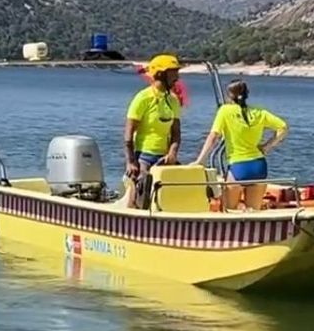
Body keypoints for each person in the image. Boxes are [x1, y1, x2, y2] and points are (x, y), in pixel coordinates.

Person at [191, 78, 289, 212]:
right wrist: (266, 146)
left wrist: (200, 160)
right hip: (258, 166)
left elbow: (213, 137)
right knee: (254, 211)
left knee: (229, 210)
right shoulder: (259, 112)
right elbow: (283, 127)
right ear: (247, 93)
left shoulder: (225, 111)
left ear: (229, 95)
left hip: (238, 167)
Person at [123, 54, 183, 208]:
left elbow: (176, 133)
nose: (177, 76)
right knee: (140, 200)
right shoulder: (143, 98)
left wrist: (172, 153)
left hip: (164, 158)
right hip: (143, 157)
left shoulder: (173, 100)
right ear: (160, 74)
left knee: (166, 202)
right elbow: (128, 134)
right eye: (173, 72)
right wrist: (130, 162)